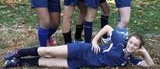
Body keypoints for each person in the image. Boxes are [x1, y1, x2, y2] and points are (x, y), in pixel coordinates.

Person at [3, 25, 154, 68]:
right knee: (49, 51)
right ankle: (18, 53)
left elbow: (150, 64)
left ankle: (18, 62)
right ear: (128, 41)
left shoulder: (128, 61)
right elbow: (107, 28)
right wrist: (95, 40)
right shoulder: (120, 41)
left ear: (138, 47)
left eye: (136, 45)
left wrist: (144, 51)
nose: (132, 46)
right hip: (83, 49)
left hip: (83, 62)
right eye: (132, 42)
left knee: (48, 62)